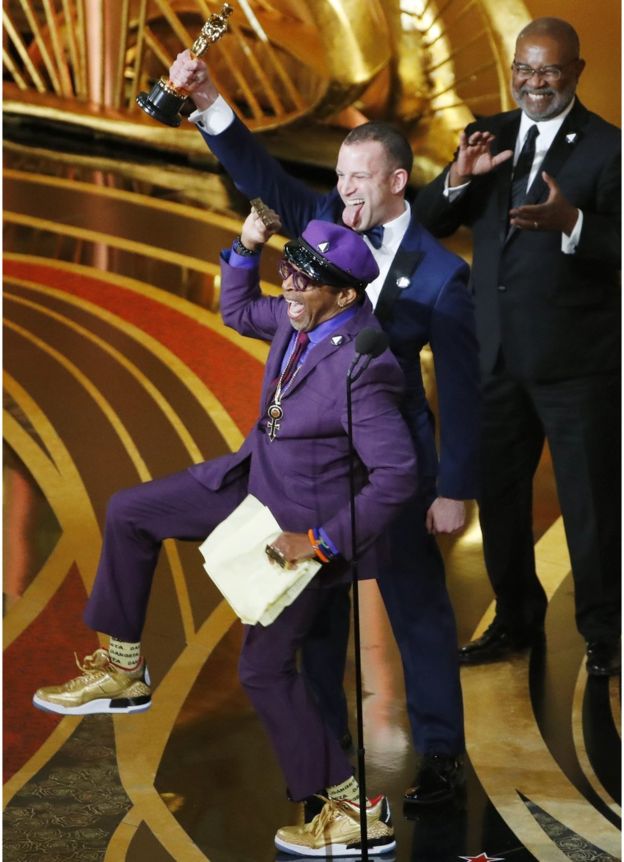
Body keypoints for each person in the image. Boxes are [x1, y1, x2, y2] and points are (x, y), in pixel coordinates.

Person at [33, 214, 418, 857]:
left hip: (299, 528)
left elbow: (397, 474)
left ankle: (354, 811)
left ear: (346, 295)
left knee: (263, 671)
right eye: (288, 269)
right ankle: (124, 670)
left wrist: (320, 541)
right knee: (131, 512)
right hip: (252, 484)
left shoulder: (363, 365)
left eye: (304, 279)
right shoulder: (299, 315)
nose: (288, 285)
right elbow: (238, 311)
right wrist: (245, 246)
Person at [167, 51, 481, 806]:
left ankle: (441, 756)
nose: (344, 191)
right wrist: (209, 100)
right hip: (312, 474)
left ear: (397, 182)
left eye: (358, 178)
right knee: (311, 622)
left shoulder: (442, 275)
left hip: (393, 473)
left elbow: (464, 389)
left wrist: (454, 488)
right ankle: (328, 765)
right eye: (339, 177)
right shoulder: (322, 226)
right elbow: (261, 177)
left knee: (418, 611)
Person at [413, 17, 621, 675]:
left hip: (577, 366)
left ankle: (607, 635)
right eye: (524, 69)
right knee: (500, 500)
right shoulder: (488, 134)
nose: (535, 83)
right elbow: (429, 220)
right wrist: (457, 177)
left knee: (591, 509)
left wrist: (573, 222)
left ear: (576, 72)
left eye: (549, 70)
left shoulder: (609, 149)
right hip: (495, 357)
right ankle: (516, 620)